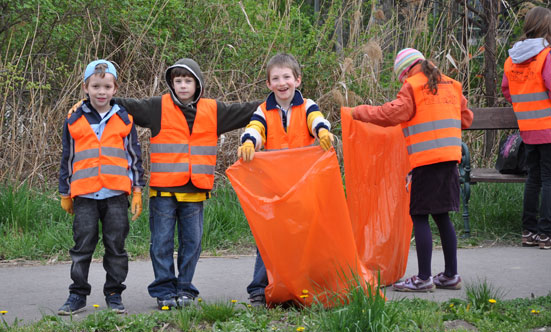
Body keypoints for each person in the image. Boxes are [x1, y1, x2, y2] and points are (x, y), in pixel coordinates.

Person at [110, 58, 261, 310]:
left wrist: (276, 102)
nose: (182, 85)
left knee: (192, 244)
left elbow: (247, 110)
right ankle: (164, 290)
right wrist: (88, 105)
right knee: (161, 243)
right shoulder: (157, 107)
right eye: (177, 81)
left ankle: (185, 289)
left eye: (187, 81)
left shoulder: (214, 110)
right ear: (171, 83)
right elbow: (124, 105)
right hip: (163, 192)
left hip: (195, 192)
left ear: (197, 84)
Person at [350, 48, 473, 292]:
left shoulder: (412, 86)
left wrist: (359, 112)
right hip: (450, 158)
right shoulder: (452, 85)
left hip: (426, 160)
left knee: (419, 216)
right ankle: (451, 275)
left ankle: (424, 278)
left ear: (406, 72)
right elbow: (466, 119)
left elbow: (392, 113)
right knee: (442, 215)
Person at [237, 53, 334, 306]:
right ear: (268, 84)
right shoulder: (263, 110)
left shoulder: (307, 105)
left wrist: (322, 131)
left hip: (303, 185)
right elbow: (255, 129)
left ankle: (300, 288)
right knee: (268, 238)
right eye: (276, 78)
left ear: (297, 80)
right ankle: (259, 288)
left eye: (287, 77)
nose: (282, 83)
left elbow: (317, 120)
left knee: (303, 238)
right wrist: (248, 142)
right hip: (274, 186)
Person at [58, 59, 145, 315]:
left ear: (115, 89)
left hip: (116, 195)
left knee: (116, 248)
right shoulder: (73, 120)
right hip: (84, 195)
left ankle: (114, 293)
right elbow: (68, 158)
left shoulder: (124, 119)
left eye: (107, 86)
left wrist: (138, 190)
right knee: (82, 247)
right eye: (95, 86)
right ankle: (77, 295)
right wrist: (65, 192)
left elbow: (134, 158)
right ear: (85, 87)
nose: (101, 91)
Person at [502, 6, 551, 250]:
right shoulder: (546, 56)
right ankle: (546, 234)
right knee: (549, 179)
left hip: (528, 129)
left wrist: (523, 105)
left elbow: (506, 90)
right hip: (549, 126)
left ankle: (529, 232)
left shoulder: (512, 58)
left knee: (533, 179)